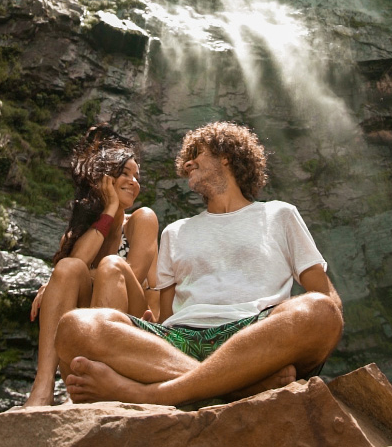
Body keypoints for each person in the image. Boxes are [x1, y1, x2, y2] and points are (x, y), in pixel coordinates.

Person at [54, 121, 343, 407]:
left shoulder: (279, 214)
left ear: (226, 157)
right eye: (187, 159)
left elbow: (326, 297)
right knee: (75, 326)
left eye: (198, 153)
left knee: (320, 310)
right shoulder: (175, 232)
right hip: (181, 339)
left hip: (256, 332)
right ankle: (239, 387)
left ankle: (152, 394)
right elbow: (167, 317)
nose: (188, 163)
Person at [23, 123, 159, 407]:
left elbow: (127, 275)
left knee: (110, 267)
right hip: (84, 340)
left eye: (137, 176)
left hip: (133, 337)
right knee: (69, 269)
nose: (134, 182)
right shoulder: (81, 234)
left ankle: (105, 385)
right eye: (125, 173)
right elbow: (74, 266)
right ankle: (43, 387)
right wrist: (109, 210)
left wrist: (55, 286)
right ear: (104, 179)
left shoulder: (142, 220)